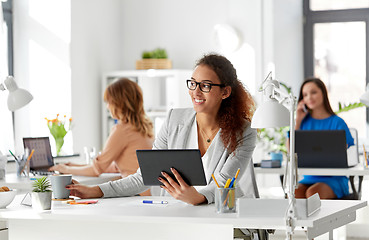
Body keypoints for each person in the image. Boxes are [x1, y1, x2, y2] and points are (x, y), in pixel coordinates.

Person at [66, 53, 257, 205]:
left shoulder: (244, 132)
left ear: (225, 92)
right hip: (177, 213)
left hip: (223, 213)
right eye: (193, 83)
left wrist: (197, 197)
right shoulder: (174, 120)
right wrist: (97, 190)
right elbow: (143, 177)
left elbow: (223, 184)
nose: (195, 92)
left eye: (205, 85)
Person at [50, 78, 154, 180]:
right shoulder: (144, 127)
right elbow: (111, 167)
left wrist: (66, 169)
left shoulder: (122, 130)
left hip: (135, 192)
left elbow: (96, 170)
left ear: (119, 103)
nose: (108, 107)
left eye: (109, 102)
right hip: (146, 191)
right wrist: (74, 166)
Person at [294, 77, 354, 199]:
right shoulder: (303, 123)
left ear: (323, 93)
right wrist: (298, 120)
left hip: (335, 178)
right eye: (305, 95)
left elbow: (350, 152)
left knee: (313, 194)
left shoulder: (337, 122)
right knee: (295, 194)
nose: (309, 97)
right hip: (309, 177)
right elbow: (291, 151)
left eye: (313, 92)